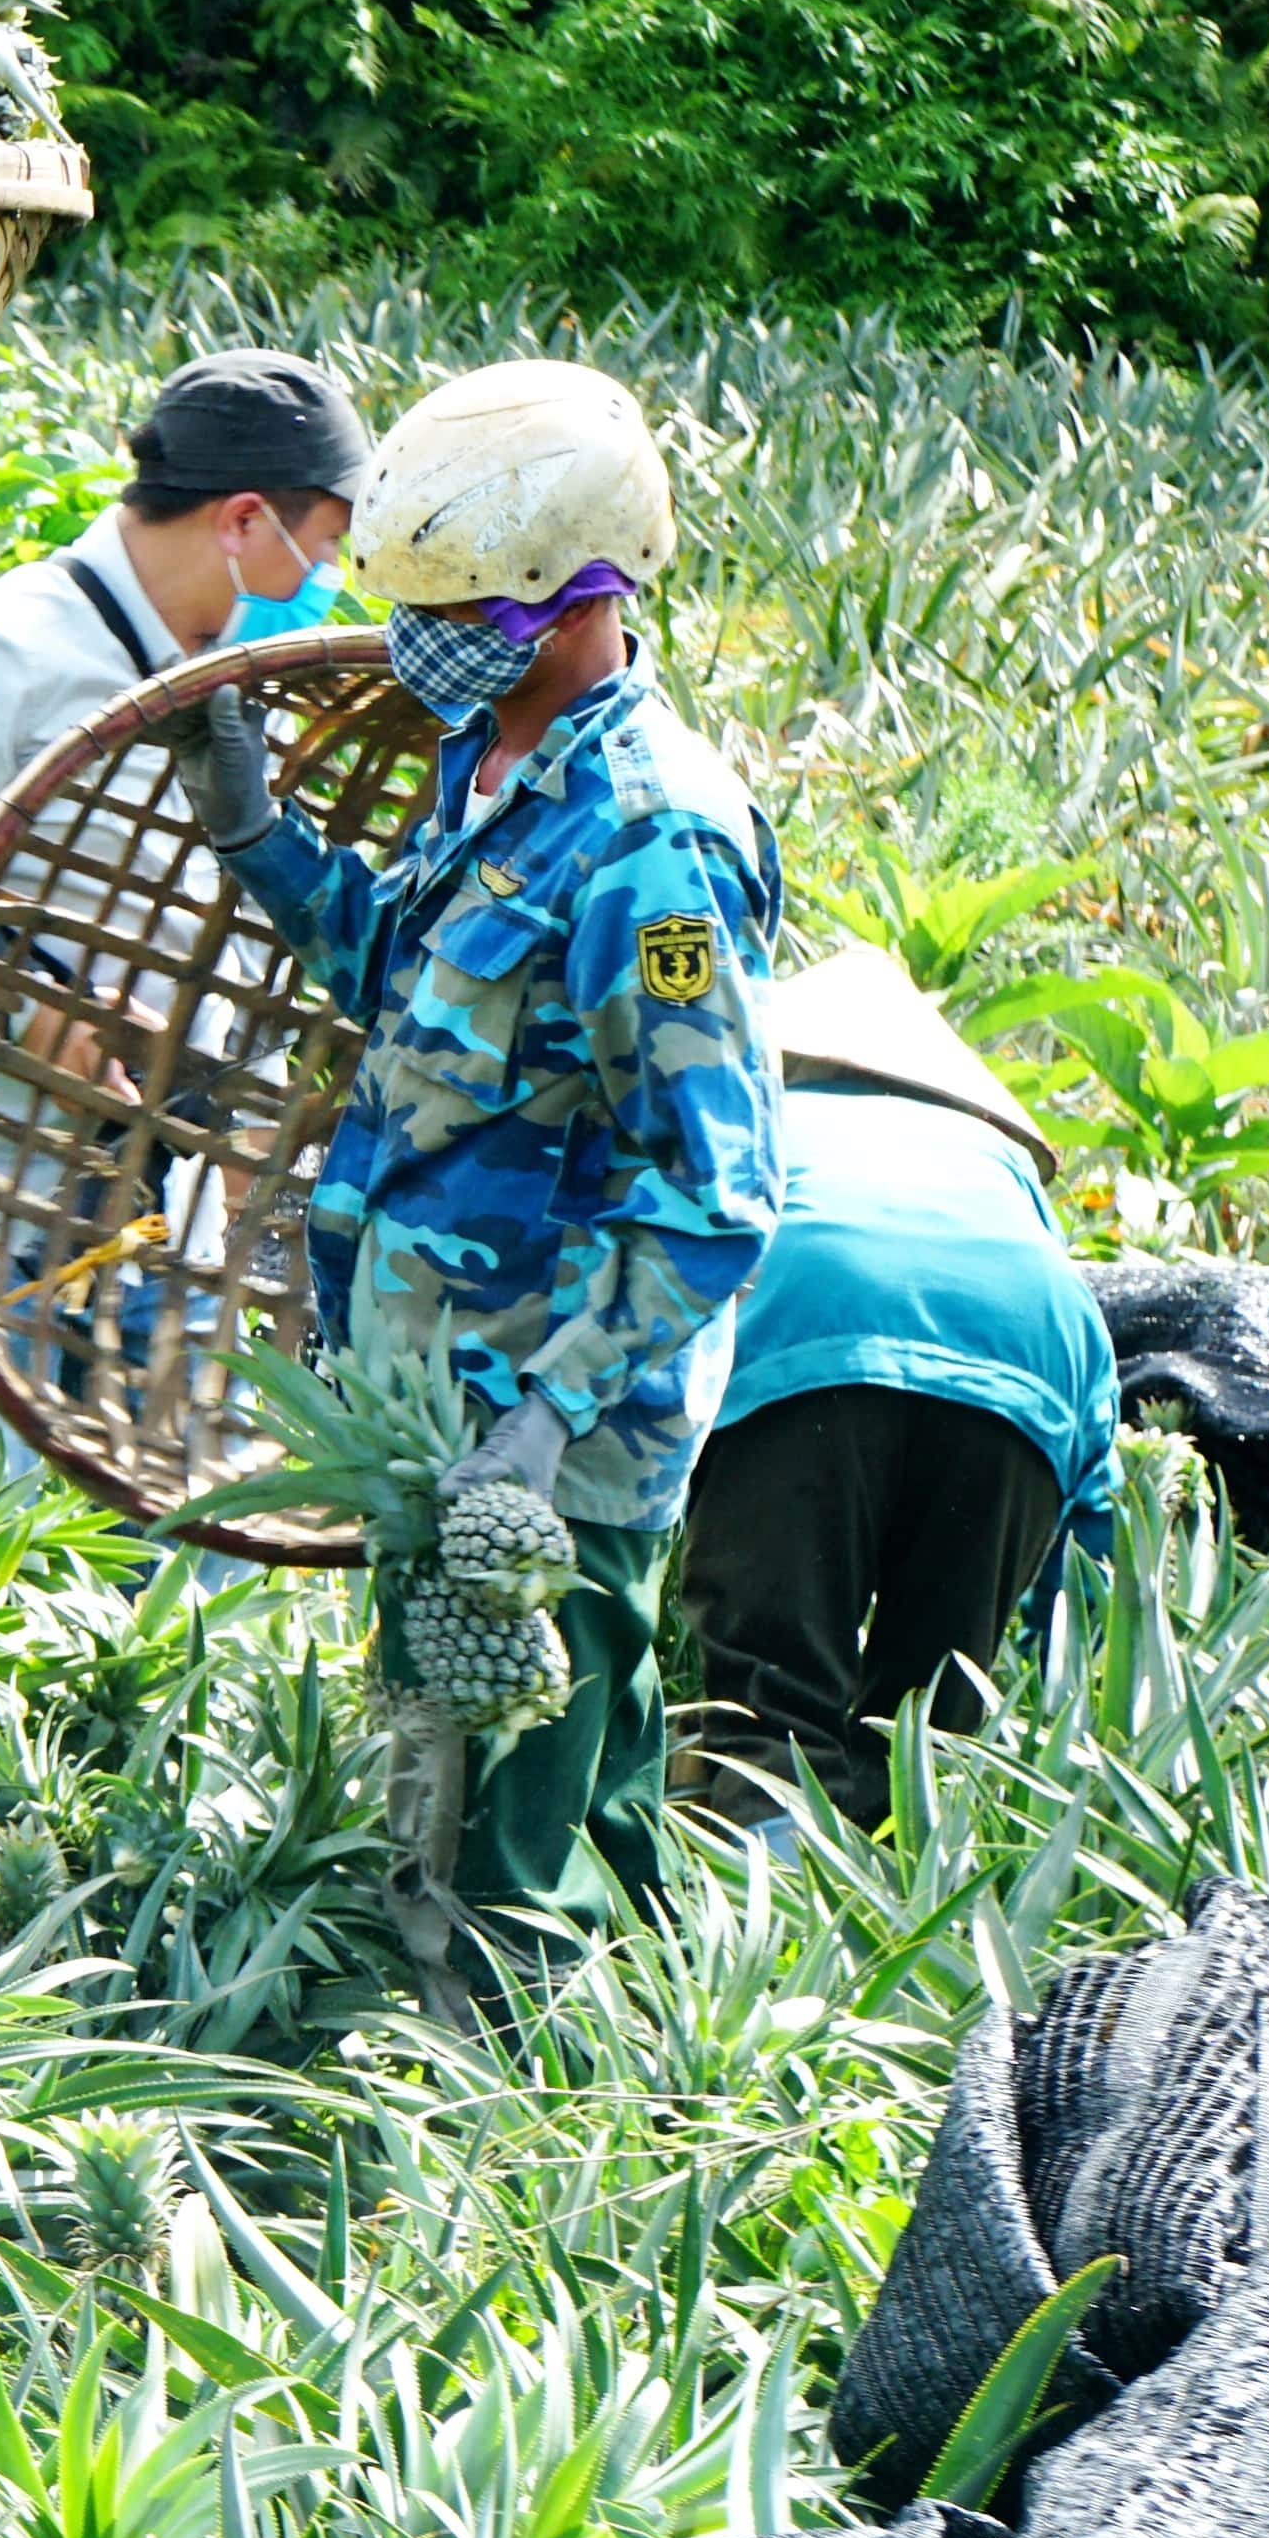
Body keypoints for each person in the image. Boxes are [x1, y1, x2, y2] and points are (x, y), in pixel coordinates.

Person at [199, 357, 782, 1930]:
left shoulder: (654, 851)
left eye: (459, 608)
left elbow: (717, 1194)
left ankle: (496, 2122)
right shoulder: (495, 763)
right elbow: (414, 986)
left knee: (513, 1855)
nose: (418, 641)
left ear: (576, 594)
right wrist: (264, 845)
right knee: (468, 1790)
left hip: (546, 1450)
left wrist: (540, 1422)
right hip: (433, 1395)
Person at [0, 346, 374, 1497]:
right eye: (320, 549)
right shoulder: (2, 653)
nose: (324, 579)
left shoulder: (238, 687)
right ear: (243, 522)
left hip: (164, 1249)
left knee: (153, 1618)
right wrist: (18, 1003)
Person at [674, 950, 1121, 1825]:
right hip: (1030, 1366)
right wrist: (1077, 1641)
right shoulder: (994, 1161)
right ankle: (906, 1927)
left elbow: (673, 1269)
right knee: (925, 1733)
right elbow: (1093, 1514)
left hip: (810, 1326)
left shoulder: (758, 1112)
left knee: (774, 1715)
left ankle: (768, 1941)